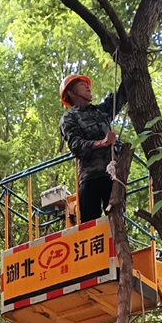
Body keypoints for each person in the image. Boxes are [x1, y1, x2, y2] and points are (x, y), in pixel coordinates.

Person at [59, 74, 127, 222]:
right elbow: (76, 145)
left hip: (112, 174)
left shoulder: (101, 111)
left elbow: (122, 95)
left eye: (86, 84)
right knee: (90, 223)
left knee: (118, 219)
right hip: (90, 178)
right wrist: (102, 142)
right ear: (70, 93)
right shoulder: (70, 118)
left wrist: (126, 68)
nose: (87, 86)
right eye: (81, 84)